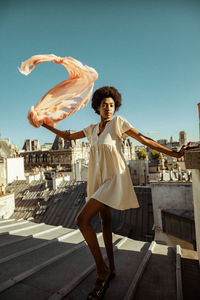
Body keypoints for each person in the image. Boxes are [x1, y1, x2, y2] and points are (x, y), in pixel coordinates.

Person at [42, 86, 185, 299]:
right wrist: (45, 124)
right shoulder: (92, 129)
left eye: (112, 105)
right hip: (97, 180)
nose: (108, 109)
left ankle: (102, 272)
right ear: (97, 107)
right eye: (104, 105)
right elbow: (68, 136)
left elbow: (144, 139)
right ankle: (112, 268)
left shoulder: (119, 124)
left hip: (113, 178)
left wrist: (175, 153)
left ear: (115, 107)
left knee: (82, 220)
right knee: (105, 221)